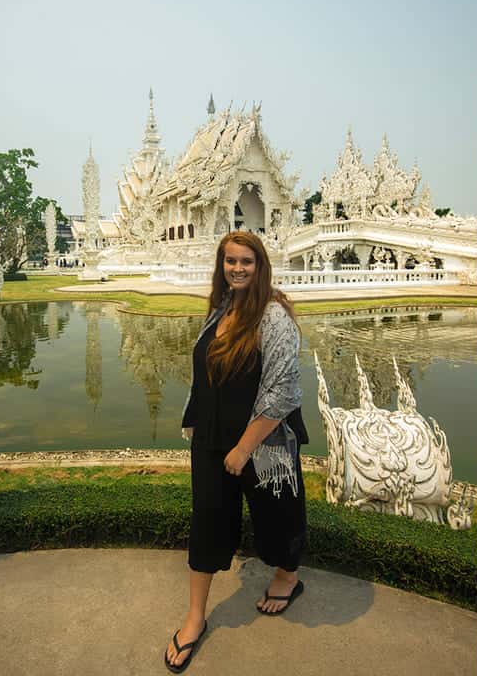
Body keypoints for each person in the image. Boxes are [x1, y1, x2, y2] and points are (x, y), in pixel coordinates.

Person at [164, 231, 310, 672]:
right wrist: (198, 422)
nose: (238, 268)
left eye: (247, 261)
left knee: (278, 514)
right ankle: (195, 617)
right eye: (231, 261)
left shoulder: (274, 317)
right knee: (207, 520)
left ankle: (288, 576)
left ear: (260, 265)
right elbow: (205, 372)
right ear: (221, 265)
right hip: (212, 440)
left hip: (264, 442)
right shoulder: (222, 308)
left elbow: (283, 391)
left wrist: (245, 448)